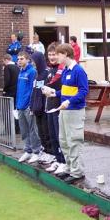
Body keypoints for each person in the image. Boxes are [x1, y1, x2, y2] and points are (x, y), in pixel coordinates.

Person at [43, 43, 88, 184]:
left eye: (59, 54)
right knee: (64, 140)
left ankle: (77, 172)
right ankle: (69, 168)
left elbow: (83, 91)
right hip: (64, 110)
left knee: (74, 141)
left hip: (74, 111)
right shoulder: (66, 71)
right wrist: (54, 93)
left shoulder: (78, 70)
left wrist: (69, 102)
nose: (56, 56)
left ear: (66, 54)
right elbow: (67, 90)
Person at [43, 43, 67, 174]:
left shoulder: (62, 69)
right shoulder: (50, 70)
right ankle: (58, 160)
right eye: (50, 54)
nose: (52, 57)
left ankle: (64, 161)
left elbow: (64, 89)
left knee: (59, 137)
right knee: (52, 136)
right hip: (50, 106)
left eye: (54, 54)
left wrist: (52, 91)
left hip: (59, 107)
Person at [16, 51, 42, 164]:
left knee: (33, 130)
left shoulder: (32, 72)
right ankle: (28, 150)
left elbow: (34, 90)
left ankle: (36, 151)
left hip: (28, 106)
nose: (19, 61)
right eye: (18, 59)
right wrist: (17, 105)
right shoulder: (20, 72)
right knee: (24, 130)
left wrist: (31, 105)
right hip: (20, 106)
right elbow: (19, 90)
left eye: (22, 59)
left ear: (27, 60)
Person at [30, 51, 54, 163]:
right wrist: (32, 106)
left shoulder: (46, 74)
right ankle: (45, 151)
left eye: (34, 61)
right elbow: (34, 92)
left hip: (44, 108)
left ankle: (51, 153)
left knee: (46, 131)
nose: (33, 63)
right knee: (41, 132)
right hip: (37, 109)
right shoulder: (37, 75)